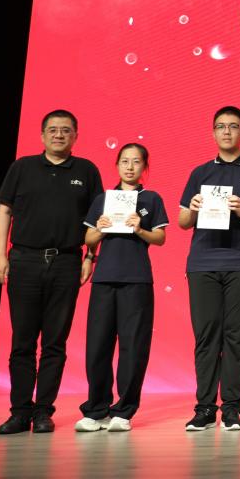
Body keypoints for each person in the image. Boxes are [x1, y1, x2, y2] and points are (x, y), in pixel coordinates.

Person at [0, 109, 104, 434]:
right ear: (42, 135)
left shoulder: (86, 170)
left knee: (55, 342)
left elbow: (98, 221)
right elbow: (4, 212)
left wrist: (90, 256)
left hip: (66, 262)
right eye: (53, 130)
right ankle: (19, 411)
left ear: (75, 136)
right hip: (24, 260)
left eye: (66, 130)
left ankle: (43, 411)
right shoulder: (22, 167)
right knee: (23, 342)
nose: (59, 135)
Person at [178, 106, 240, 432]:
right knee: (206, 336)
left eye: (233, 126)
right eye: (220, 126)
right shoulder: (200, 173)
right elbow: (182, 221)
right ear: (213, 132)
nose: (226, 132)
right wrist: (193, 209)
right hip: (203, 263)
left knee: (237, 336)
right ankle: (205, 408)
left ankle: (232, 408)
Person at [75, 143, 168, 432]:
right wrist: (100, 228)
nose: (129, 167)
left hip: (137, 279)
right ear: (117, 165)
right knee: (98, 345)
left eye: (136, 161)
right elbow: (89, 239)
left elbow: (160, 238)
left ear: (144, 167)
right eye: (125, 161)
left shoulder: (151, 199)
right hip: (104, 279)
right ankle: (96, 410)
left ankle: (124, 411)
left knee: (133, 346)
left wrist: (140, 229)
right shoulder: (104, 199)